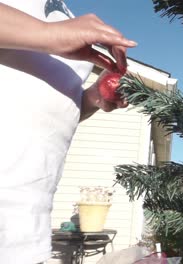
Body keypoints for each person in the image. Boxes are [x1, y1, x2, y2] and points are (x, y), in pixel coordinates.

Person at [0, 1, 137, 263]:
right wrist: (48, 34)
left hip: (27, 220)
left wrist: (93, 98)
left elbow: (60, 110)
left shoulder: (65, 12)